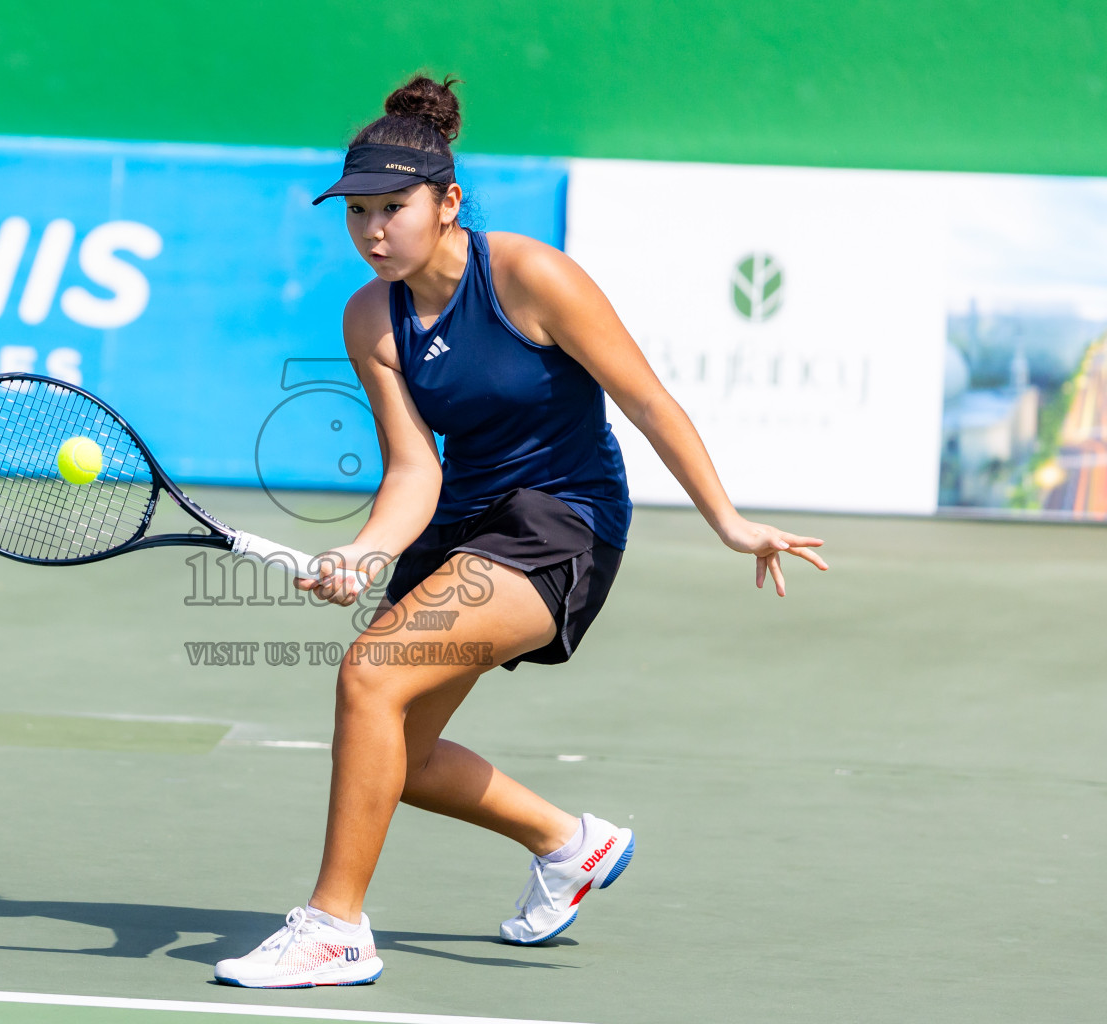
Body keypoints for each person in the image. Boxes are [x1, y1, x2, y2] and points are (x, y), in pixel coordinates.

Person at [212, 75, 828, 989]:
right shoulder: (369, 316)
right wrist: (369, 550)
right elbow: (415, 467)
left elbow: (647, 401)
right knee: (401, 757)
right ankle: (570, 844)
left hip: (563, 520)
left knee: (368, 676)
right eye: (358, 213)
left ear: (447, 200)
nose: (374, 230)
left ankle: (334, 928)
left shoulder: (531, 276)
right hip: (463, 520)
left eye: (394, 208)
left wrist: (728, 521)